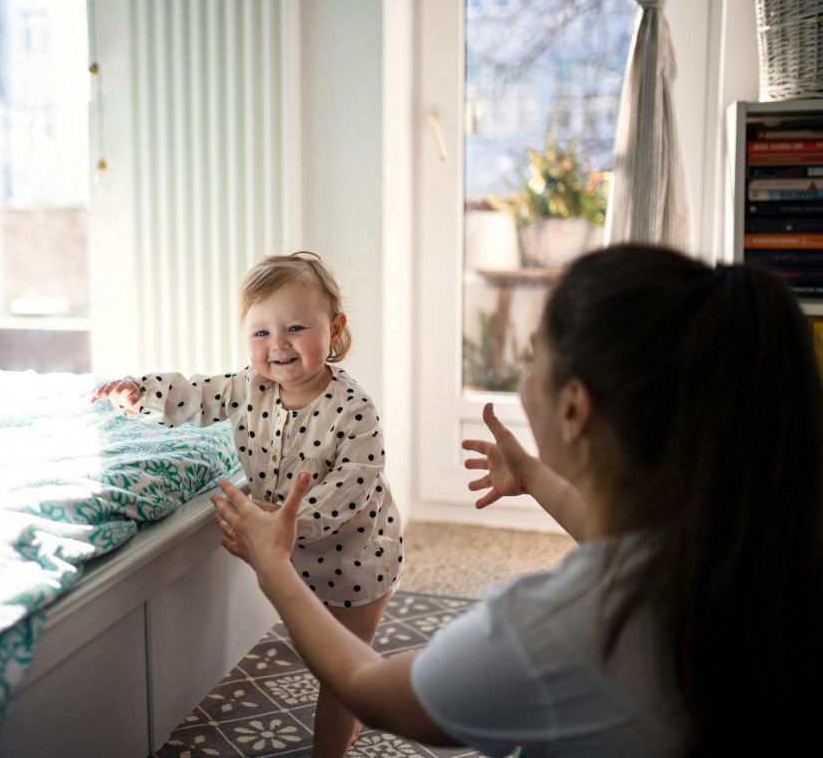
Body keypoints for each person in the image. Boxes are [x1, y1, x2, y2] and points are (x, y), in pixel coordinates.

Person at [210, 243, 823, 757]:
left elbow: (370, 688)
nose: (523, 379)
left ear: (574, 408)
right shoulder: (749, 545)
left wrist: (274, 567)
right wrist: (533, 477)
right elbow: (616, 531)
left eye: (533, 360)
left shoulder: (559, 629)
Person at [91, 251, 403, 757]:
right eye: (261, 333)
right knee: (322, 655)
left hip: (358, 560)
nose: (277, 344)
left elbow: (355, 486)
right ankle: (351, 708)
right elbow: (196, 394)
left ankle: (334, 740)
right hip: (292, 557)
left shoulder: (355, 410)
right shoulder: (247, 388)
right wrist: (141, 391)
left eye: (296, 327)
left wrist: (285, 522)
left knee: (340, 668)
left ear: (335, 329)